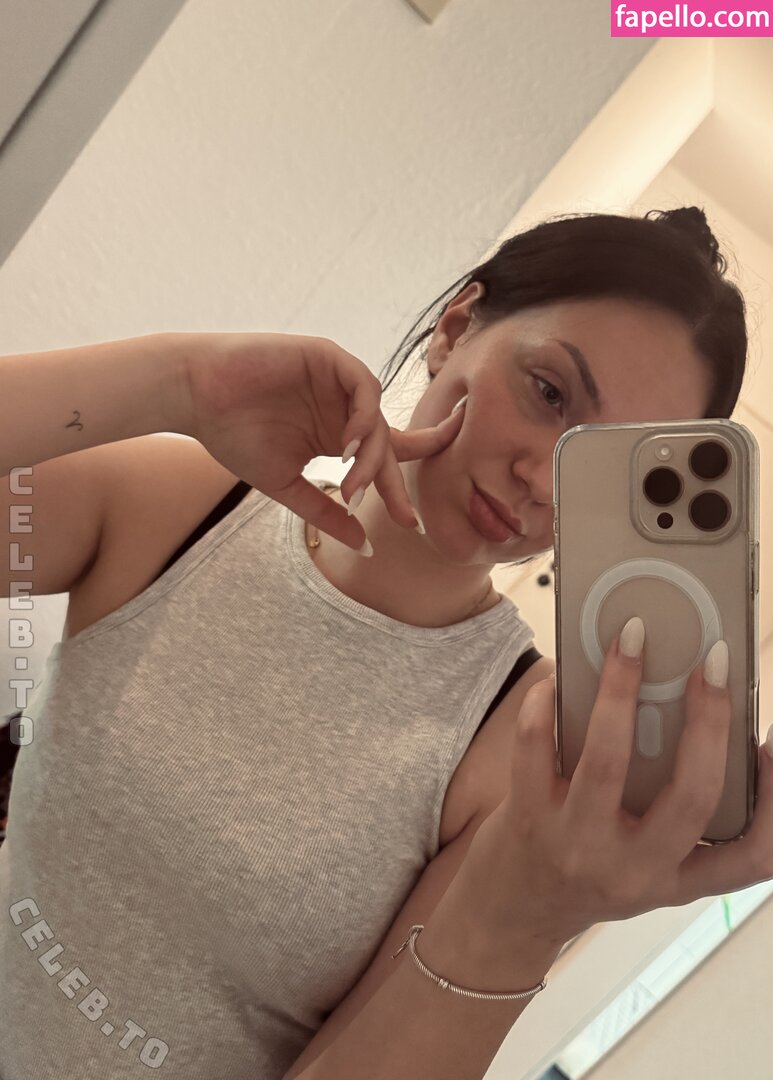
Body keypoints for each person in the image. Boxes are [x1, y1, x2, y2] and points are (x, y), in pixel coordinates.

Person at [1, 208, 771, 1080]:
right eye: (549, 394)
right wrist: (177, 380)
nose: (545, 479)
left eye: (606, 468)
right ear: (455, 328)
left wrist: (523, 923)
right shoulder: (186, 509)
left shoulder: (520, 745)